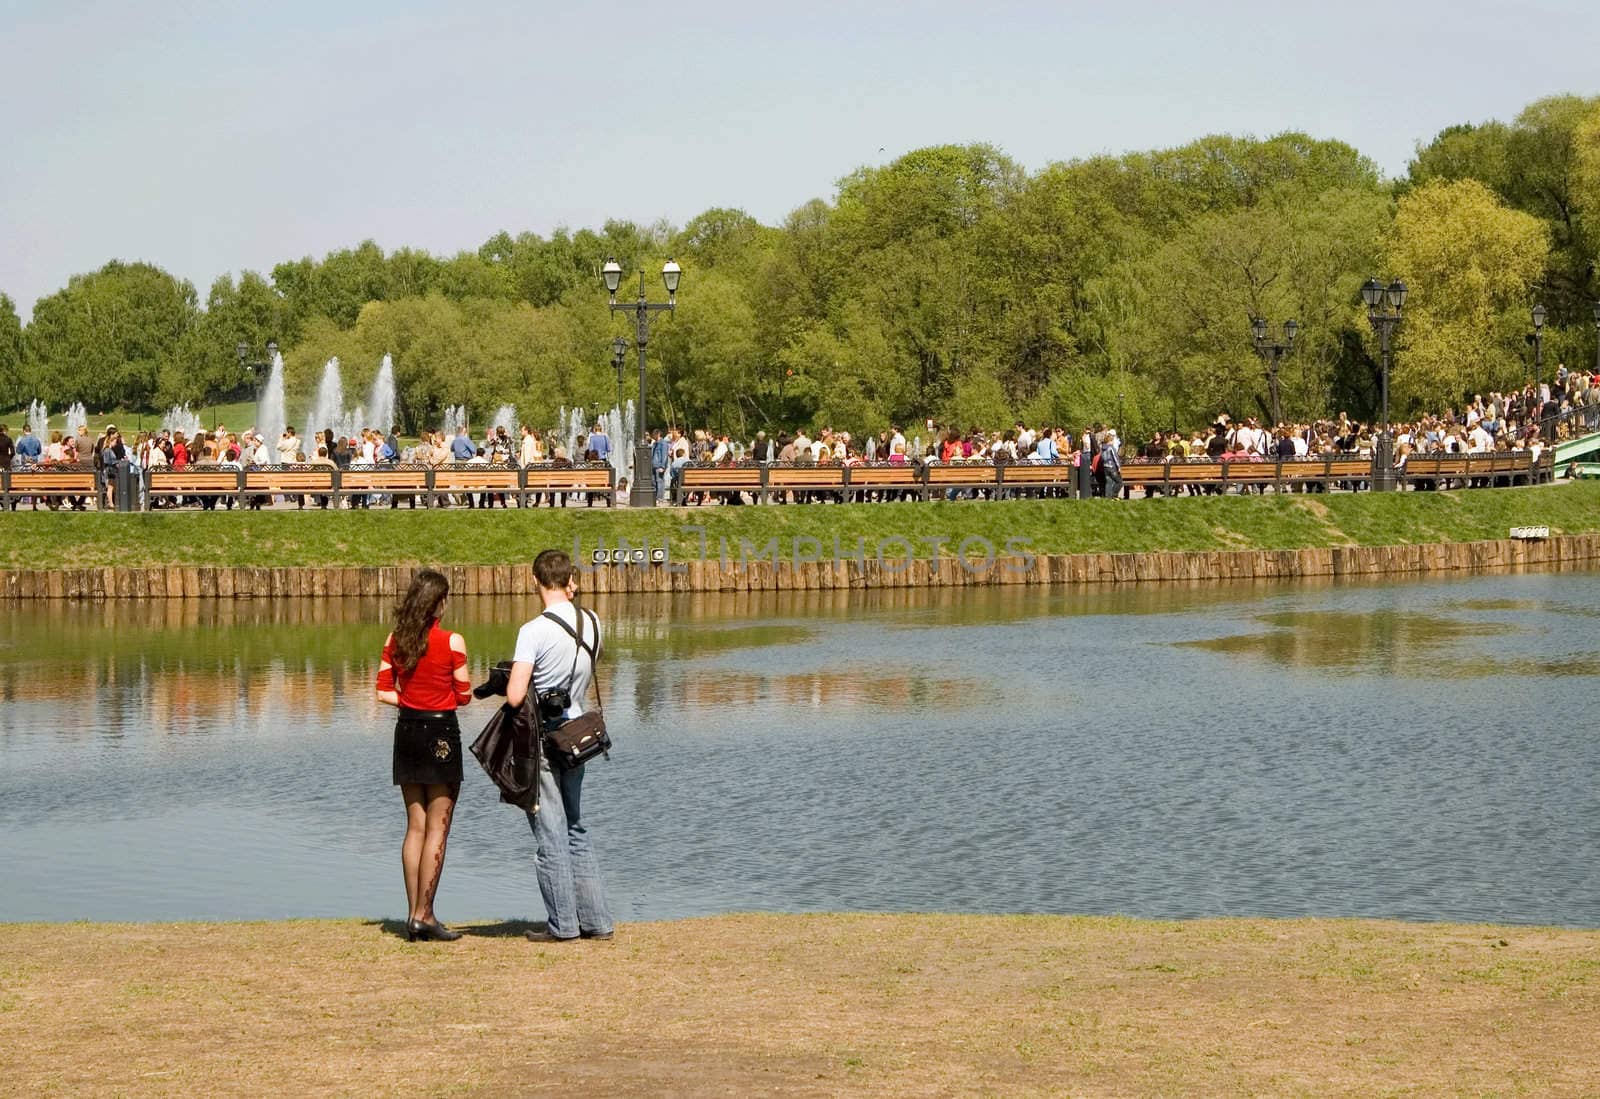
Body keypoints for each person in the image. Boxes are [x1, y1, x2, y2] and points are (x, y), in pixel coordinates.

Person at [506, 549, 615, 944]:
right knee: (576, 826)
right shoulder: (592, 622)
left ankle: (563, 925)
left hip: (545, 740)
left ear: (535, 581)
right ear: (570, 579)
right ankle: (597, 921)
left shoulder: (532, 631)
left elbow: (517, 696)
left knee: (549, 832)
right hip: (579, 735)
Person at [375, 569, 473, 942]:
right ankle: (425, 914)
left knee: (414, 826)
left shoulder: (395, 640)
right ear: (440, 603)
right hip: (441, 734)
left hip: (407, 732)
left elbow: (383, 690)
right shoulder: (452, 642)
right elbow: (462, 695)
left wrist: (412, 699)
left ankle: (412, 913)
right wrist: (435, 699)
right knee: (438, 828)